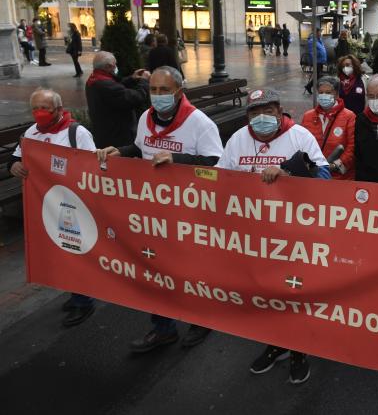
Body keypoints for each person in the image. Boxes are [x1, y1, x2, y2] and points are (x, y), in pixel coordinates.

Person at [96, 66, 224, 352]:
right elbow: (143, 150)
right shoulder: (145, 118)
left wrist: (179, 160)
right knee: (155, 272)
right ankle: (162, 328)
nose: (157, 96)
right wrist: (124, 151)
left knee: (190, 273)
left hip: (190, 214)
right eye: (153, 90)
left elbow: (218, 165)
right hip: (153, 213)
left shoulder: (200, 123)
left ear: (179, 92)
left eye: (164, 91)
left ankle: (200, 321)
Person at [215, 88, 328, 383]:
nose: (261, 118)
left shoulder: (300, 136)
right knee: (265, 294)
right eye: (255, 113)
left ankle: (298, 350)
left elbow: (325, 177)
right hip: (254, 238)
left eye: (268, 111)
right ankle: (275, 344)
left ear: (279, 112)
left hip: (294, 236)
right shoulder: (238, 140)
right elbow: (218, 178)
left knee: (294, 294)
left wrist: (289, 173)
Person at [9, 88, 97, 327]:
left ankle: (83, 301)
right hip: (46, 205)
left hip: (73, 205)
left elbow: (92, 169)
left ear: (59, 110)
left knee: (74, 251)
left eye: (44, 109)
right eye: (35, 108)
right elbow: (17, 158)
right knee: (58, 252)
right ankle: (75, 293)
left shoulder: (77, 133)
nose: (39, 113)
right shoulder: (32, 132)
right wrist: (14, 167)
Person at [85, 52, 151, 148]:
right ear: (108, 67)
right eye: (114, 64)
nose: (116, 66)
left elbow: (116, 86)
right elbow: (135, 97)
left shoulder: (95, 78)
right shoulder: (106, 85)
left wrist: (132, 79)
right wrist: (144, 81)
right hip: (117, 137)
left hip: (105, 132)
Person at [301, 76, 356, 180]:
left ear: (336, 94)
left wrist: (335, 166)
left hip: (340, 178)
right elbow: (301, 145)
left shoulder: (349, 116)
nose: (324, 95)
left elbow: (352, 148)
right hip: (313, 176)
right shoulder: (308, 116)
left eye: (328, 92)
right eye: (321, 92)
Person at [304, 29, 328, 94]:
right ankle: (311, 87)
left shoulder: (319, 40)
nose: (320, 34)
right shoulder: (312, 41)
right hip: (317, 61)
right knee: (318, 76)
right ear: (316, 33)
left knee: (318, 76)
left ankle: (309, 86)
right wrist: (316, 58)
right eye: (319, 32)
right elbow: (312, 52)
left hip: (321, 61)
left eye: (320, 32)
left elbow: (321, 49)